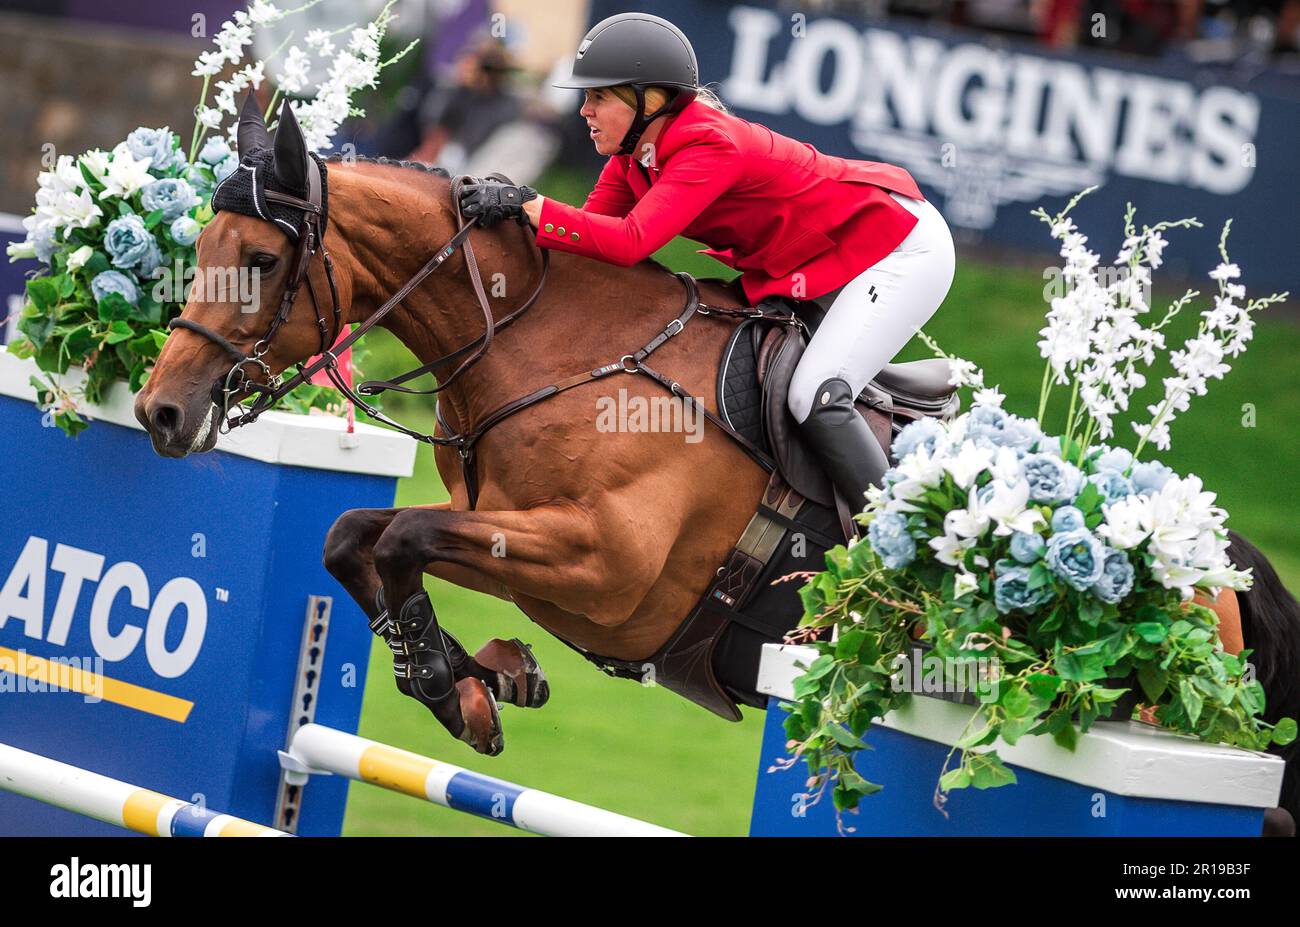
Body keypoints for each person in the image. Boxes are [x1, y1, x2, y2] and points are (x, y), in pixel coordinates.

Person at [458, 12, 956, 507]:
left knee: (815, 394)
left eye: (598, 96)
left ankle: (894, 535)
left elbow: (631, 242)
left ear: (649, 100)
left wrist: (532, 206)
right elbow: (587, 246)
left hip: (901, 246)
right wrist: (509, 222)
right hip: (827, 255)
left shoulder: (709, 142)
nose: (584, 110)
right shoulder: (633, 157)